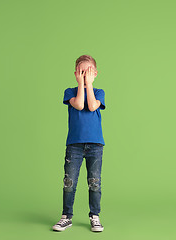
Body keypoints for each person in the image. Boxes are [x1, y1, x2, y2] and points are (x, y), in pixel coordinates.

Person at [52, 55, 106, 232]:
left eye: (89, 72)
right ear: (76, 73)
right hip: (74, 145)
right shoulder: (70, 92)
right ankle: (66, 216)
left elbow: (91, 106)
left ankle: (95, 216)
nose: (85, 75)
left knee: (94, 182)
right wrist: (81, 83)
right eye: (82, 72)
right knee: (69, 182)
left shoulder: (99, 93)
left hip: (95, 146)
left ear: (95, 73)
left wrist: (88, 84)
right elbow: (80, 105)